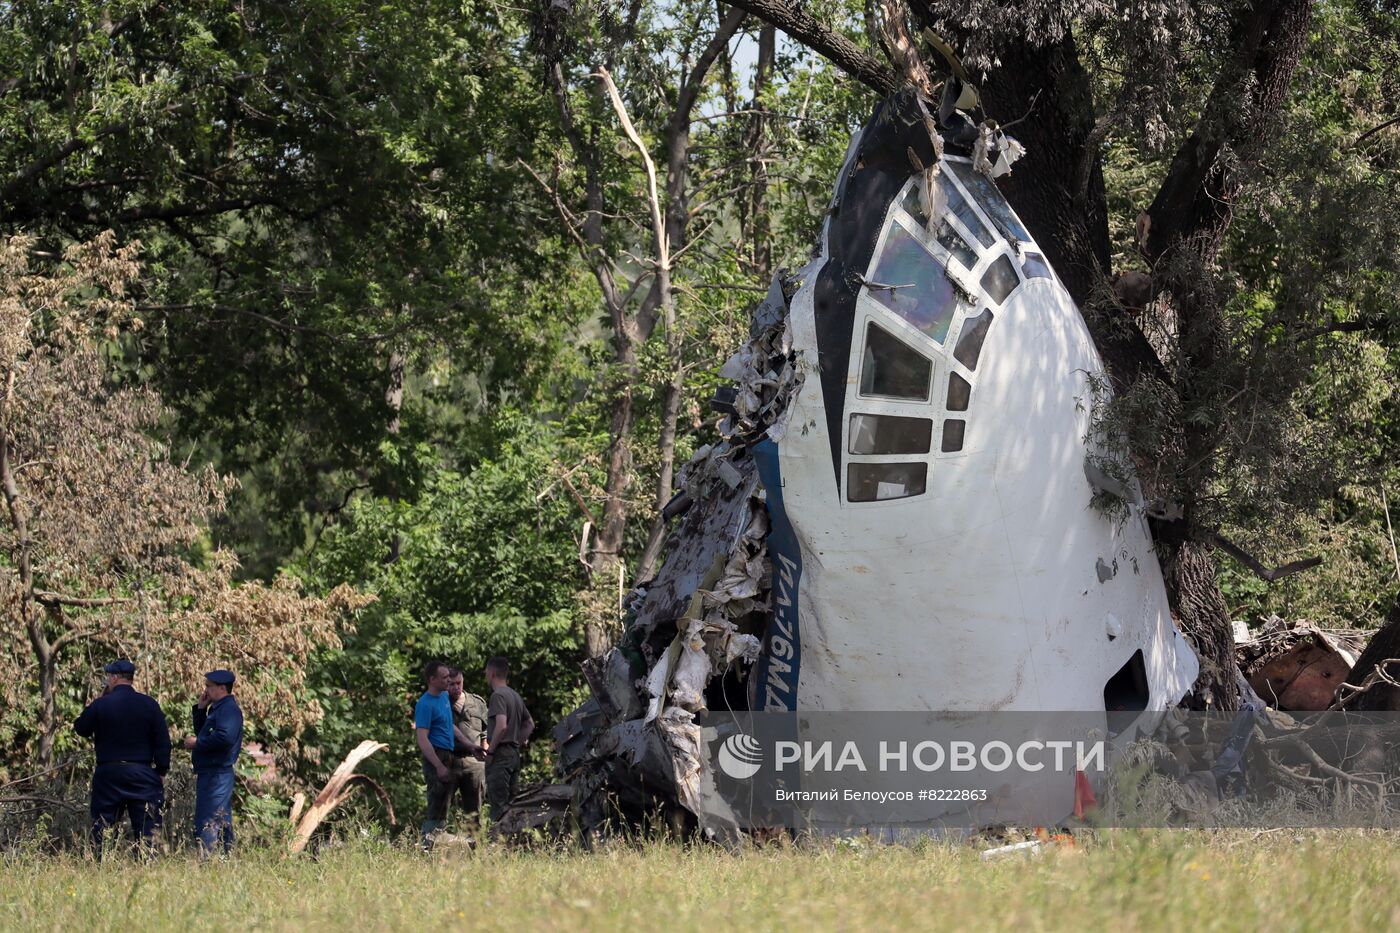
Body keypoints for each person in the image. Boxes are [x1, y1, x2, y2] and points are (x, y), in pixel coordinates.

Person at [73, 659, 170, 855]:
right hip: (141, 772)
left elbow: (81, 728)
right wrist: (161, 770)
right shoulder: (149, 704)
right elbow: (163, 741)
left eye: (108, 677)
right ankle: (146, 865)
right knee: (147, 828)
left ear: (115, 677)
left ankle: (102, 864)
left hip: (109, 772)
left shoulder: (102, 704)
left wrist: (98, 700)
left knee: (103, 826)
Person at [415, 660, 484, 844]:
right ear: (432, 679)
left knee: (470, 809)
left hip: (450, 755)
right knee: (437, 810)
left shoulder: (444, 698)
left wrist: (470, 745)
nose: (448, 680)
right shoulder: (425, 704)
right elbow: (422, 738)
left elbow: (450, 726)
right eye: (444, 677)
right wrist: (438, 766)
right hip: (437, 756)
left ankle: (474, 851)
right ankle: (426, 850)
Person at [181, 669, 243, 855]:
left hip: (217, 774)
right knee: (220, 819)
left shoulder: (228, 710)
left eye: (209, 686)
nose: (206, 690)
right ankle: (224, 857)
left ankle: (207, 859)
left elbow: (224, 738)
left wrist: (197, 743)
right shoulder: (218, 709)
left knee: (208, 819)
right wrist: (200, 710)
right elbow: (206, 734)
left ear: (222, 688)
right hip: (211, 772)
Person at [483, 656, 533, 820]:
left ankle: (499, 843)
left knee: (499, 807)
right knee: (512, 803)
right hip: (513, 754)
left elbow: (501, 725)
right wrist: (516, 742)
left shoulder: (498, 696)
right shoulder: (515, 695)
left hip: (500, 754)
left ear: (492, 673)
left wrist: (490, 751)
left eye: (486, 671)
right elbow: (529, 724)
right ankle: (513, 841)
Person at [446, 668, 488, 823]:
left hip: (474, 762)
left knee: (474, 812)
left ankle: (475, 844)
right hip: (449, 759)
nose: (456, 687)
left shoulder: (477, 702)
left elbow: (485, 732)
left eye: (459, 683)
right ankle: (433, 842)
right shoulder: (440, 703)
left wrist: (486, 753)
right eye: (451, 684)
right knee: (441, 806)